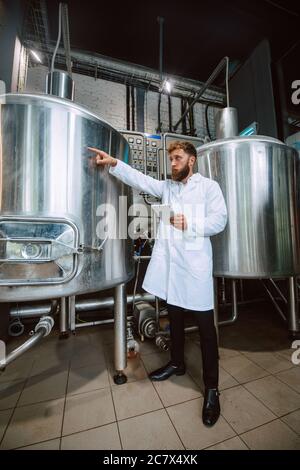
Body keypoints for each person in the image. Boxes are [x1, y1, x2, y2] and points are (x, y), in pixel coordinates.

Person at [88, 141, 227, 427]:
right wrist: (115, 164)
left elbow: (220, 220)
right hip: (173, 269)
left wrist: (190, 223)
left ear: (191, 161)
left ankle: (212, 388)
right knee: (173, 317)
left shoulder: (208, 187)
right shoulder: (168, 188)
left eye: (177, 159)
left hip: (196, 267)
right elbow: (141, 179)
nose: (172, 163)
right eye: (171, 159)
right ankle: (177, 363)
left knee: (205, 328)